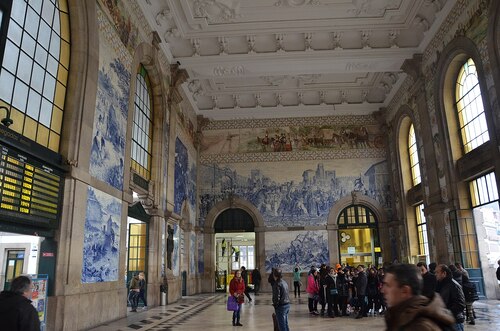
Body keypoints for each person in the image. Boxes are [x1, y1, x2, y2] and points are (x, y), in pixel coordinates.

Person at [381, 264, 455, 330]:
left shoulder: (421, 327)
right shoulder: (401, 317)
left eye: (388, 285)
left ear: (405, 291)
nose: (383, 290)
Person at [436, 264, 465, 331]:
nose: (435, 274)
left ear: (444, 273)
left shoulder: (453, 285)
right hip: (445, 319)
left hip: (454, 321)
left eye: (437, 272)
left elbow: (460, 304)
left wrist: (446, 313)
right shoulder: (440, 284)